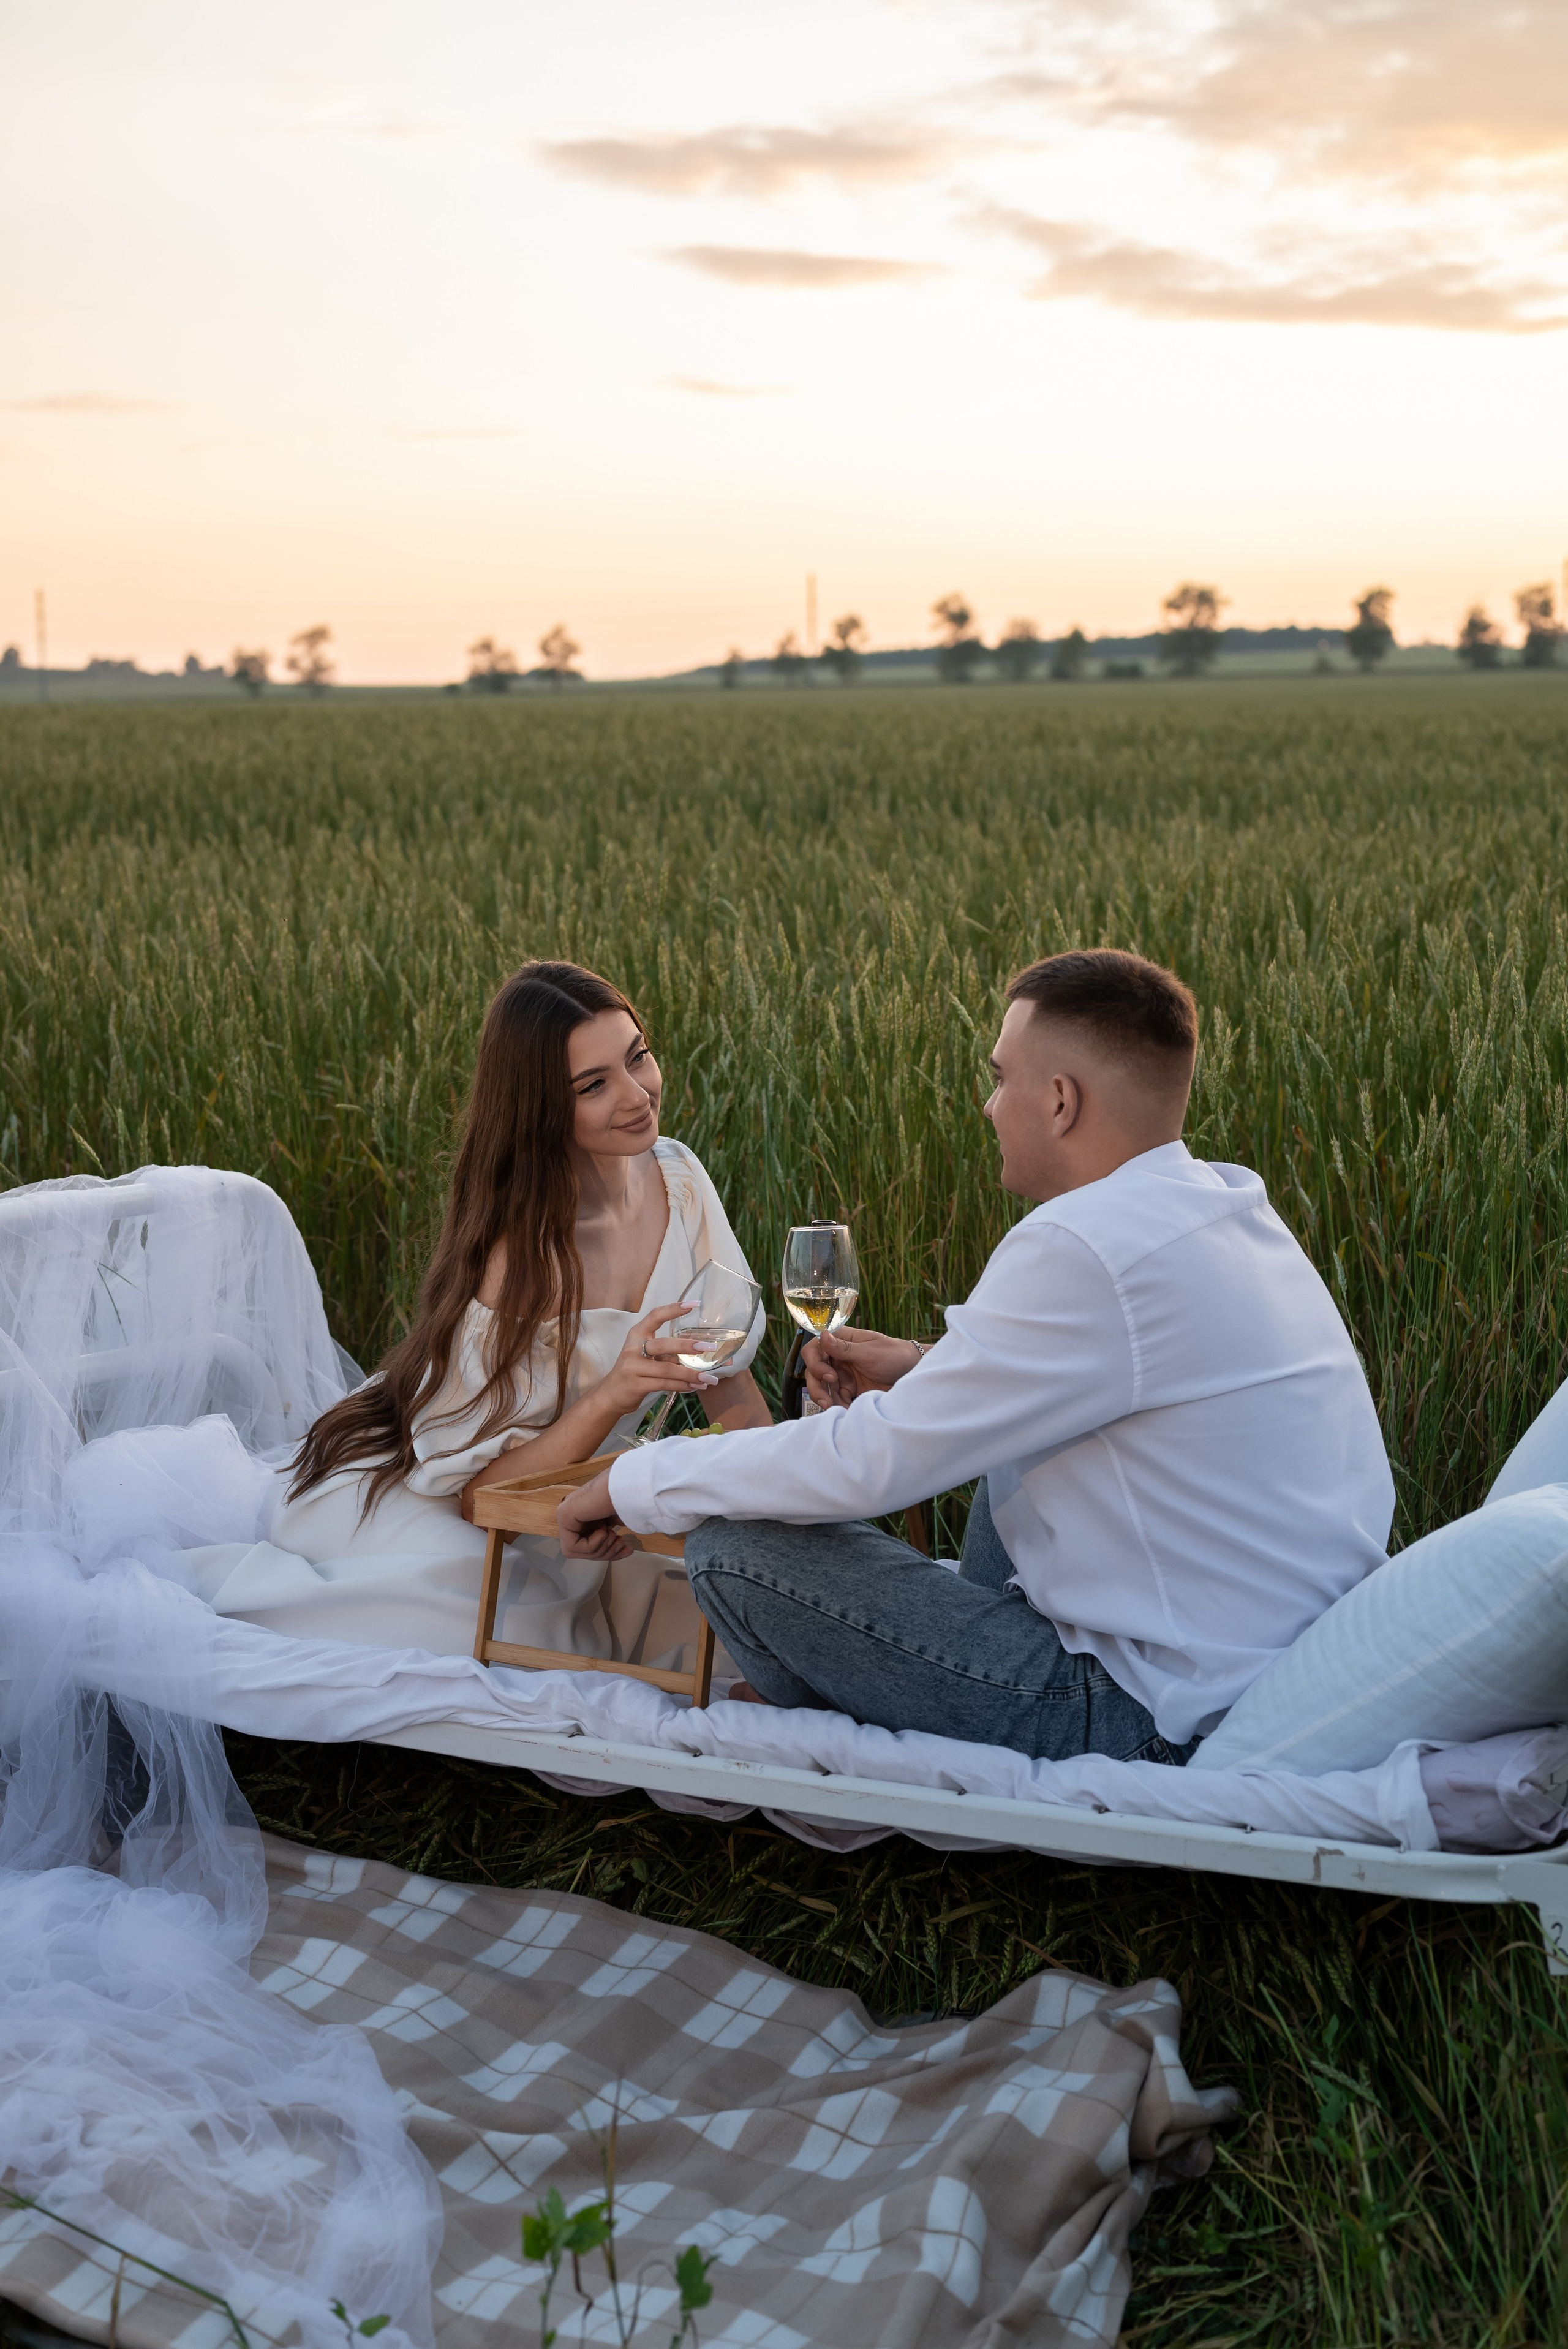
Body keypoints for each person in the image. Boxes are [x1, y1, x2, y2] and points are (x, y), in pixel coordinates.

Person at [560, 949, 1395, 1763]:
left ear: (1062, 1100)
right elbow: (1120, 1378)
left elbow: (871, 1465)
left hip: (1152, 1713)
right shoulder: (1221, 1201)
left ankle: (820, 1703)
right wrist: (927, 1364)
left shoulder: (1082, 1245)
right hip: (1261, 1654)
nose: (990, 1104)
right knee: (1008, 1453)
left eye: (1001, 1077)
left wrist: (636, 1480)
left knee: (735, 1553)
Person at [227, 961, 771, 1668]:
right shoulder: (523, 1255)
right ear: (542, 1107)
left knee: (736, 1611)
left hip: (580, 1486)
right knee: (536, 1631)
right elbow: (479, 1495)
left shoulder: (680, 1178)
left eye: (637, 1056)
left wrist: (785, 1494)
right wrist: (614, 1394)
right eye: (594, 1085)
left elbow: (725, 1378)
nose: (638, 1095)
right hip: (435, 1492)